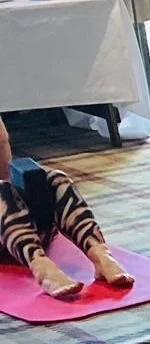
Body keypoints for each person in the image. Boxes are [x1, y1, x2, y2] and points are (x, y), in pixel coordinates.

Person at [0, 119, 132, 300]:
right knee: (1, 193)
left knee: (53, 179)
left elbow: (6, 169)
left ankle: (100, 253)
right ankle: (41, 267)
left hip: (20, 230)